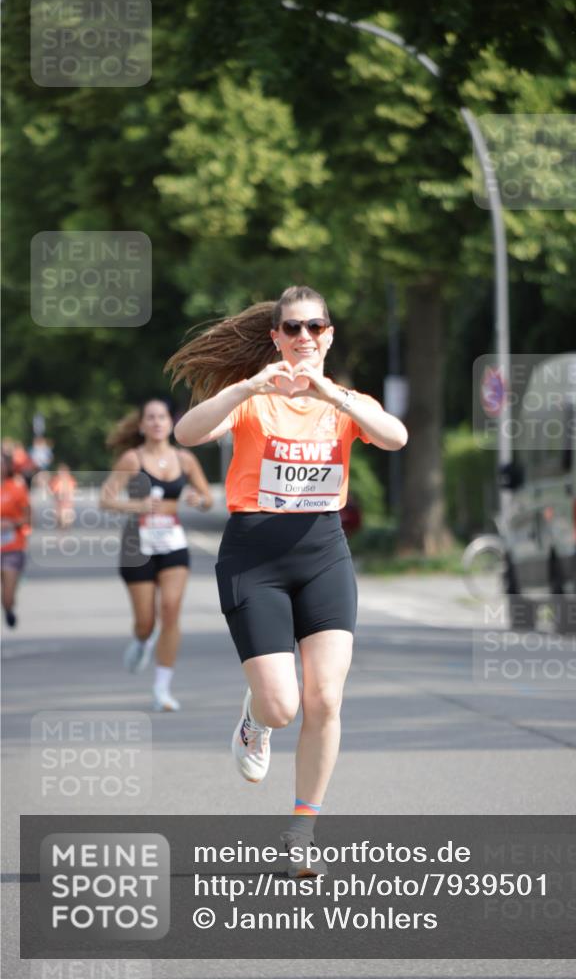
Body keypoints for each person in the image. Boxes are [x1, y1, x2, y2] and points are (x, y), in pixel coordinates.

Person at [168, 285, 408, 874]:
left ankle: (301, 835)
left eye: (315, 327)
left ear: (329, 335)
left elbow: (395, 436)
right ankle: (255, 721)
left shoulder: (346, 402)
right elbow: (186, 434)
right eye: (293, 328)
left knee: (325, 698)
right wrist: (246, 385)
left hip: (324, 554)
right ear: (275, 337)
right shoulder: (252, 401)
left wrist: (338, 396)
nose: (305, 337)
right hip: (255, 558)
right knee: (283, 706)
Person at [100, 399, 213, 712]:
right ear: (141, 426)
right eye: (150, 418)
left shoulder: (185, 460)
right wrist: (135, 506)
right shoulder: (131, 459)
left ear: (170, 422)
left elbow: (206, 498)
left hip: (172, 542)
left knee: (171, 609)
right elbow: (106, 500)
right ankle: (141, 640)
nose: (156, 422)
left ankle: (162, 690)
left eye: (161, 417)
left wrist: (196, 499)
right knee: (146, 622)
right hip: (138, 544)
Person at [1, 453, 31, 628]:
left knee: (7, 597)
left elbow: (27, 518)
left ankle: (8, 609)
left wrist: (12, 523)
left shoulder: (17, 489)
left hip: (12, 548)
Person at [48, 463, 78, 529]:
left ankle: (65, 524)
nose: (62, 474)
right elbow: (52, 490)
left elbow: (73, 489)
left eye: (64, 472)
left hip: (67, 501)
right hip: (59, 501)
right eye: (61, 472)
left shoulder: (70, 480)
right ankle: (60, 524)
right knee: (59, 513)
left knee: (67, 514)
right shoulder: (56, 480)